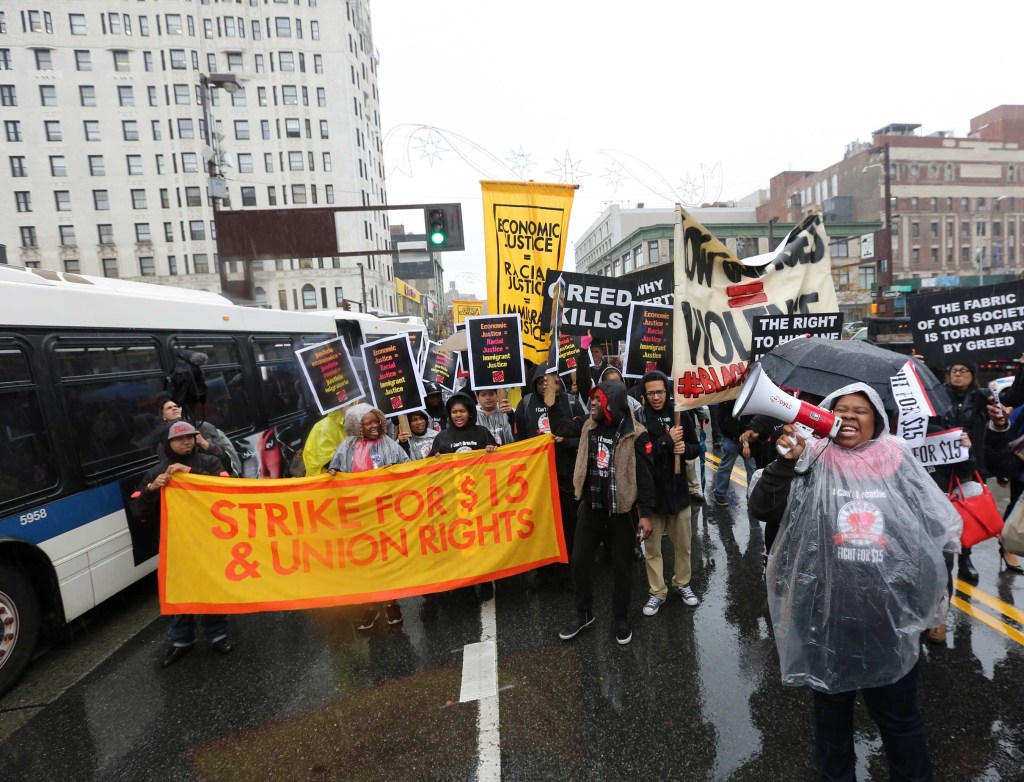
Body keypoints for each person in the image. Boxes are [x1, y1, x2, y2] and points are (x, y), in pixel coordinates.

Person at [748, 383, 961, 782]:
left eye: (860, 410)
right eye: (840, 408)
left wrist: (933, 599)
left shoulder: (897, 458)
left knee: (900, 723)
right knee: (831, 725)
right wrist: (783, 463)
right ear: (825, 416)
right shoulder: (809, 455)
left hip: (887, 621)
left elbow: (938, 533)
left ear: (877, 419)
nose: (849, 416)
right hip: (823, 617)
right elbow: (761, 508)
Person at [548, 378, 656, 645]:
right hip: (591, 506)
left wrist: (646, 514)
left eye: (599, 400)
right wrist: (553, 400)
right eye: (593, 399)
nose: (593, 404)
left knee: (622, 568)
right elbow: (561, 426)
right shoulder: (589, 425)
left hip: (622, 512)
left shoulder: (637, 434)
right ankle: (583, 613)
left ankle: (621, 618)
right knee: (580, 560)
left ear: (614, 404)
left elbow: (645, 478)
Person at [135, 421, 234, 667]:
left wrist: (190, 475)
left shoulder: (209, 463)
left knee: (210, 590)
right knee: (179, 595)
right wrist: (151, 489)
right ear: (167, 443)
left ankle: (218, 635)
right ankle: (181, 642)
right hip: (175, 547)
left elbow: (229, 491)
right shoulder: (154, 472)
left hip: (208, 541)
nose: (186, 441)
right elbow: (138, 512)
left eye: (190, 437)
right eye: (179, 438)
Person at [328, 403, 410, 630]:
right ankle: (369, 607)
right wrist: (332, 473)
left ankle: (392, 604)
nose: (375, 426)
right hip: (358, 517)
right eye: (368, 422)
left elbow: (408, 469)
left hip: (384, 515)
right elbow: (334, 472)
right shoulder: (346, 447)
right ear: (356, 426)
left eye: (376, 421)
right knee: (363, 563)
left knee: (384, 562)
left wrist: (395, 471)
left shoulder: (388, 444)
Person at [637, 371, 702, 615]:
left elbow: (696, 448)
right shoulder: (640, 418)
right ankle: (657, 591)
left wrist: (685, 449)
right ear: (644, 394)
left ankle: (682, 583)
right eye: (651, 392)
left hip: (678, 493)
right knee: (652, 549)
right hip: (651, 497)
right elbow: (643, 454)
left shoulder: (680, 413)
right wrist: (666, 439)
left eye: (660, 391)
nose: (656, 397)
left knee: (683, 545)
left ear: (667, 391)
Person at [155, 396, 240, 477]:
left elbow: (222, 455)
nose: (174, 408)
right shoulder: (162, 444)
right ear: (164, 416)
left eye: (176, 406)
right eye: (169, 408)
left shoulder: (202, 427)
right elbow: (167, 469)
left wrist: (202, 442)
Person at [711, 398, 757, 508]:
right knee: (726, 466)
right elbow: (720, 415)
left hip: (748, 438)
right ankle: (719, 493)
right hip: (730, 437)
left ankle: (752, 496)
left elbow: (756, 418)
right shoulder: (728, 394)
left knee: (752, 468)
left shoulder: (753, 394)